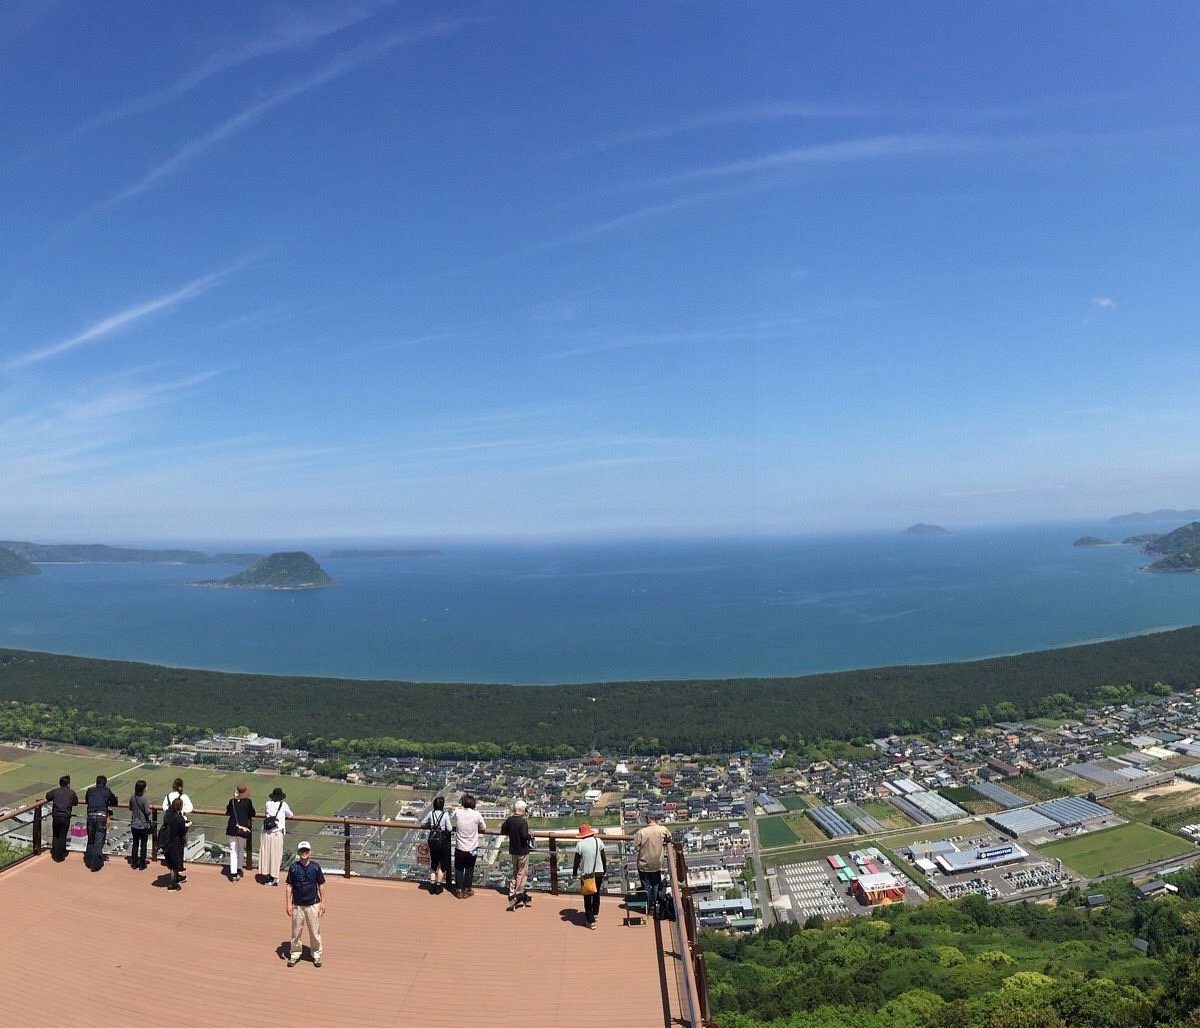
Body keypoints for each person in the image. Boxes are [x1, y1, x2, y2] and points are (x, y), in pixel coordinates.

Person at [285, 841, 326, 967]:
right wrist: (288, 904)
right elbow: (289, 886)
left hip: (313, 904)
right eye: (302, 851)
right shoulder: (293, 868)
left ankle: (316, 954)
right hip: (297, 905)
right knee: (296, 931)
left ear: (310, 852)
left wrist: (323, 902)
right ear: (298, 853)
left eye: (306, 851)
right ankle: (295, 954)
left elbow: (321, 885)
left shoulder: (315, 867)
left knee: (314, 931)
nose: (304, 853)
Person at [632, 813, 674, 917]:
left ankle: (649, 905)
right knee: (656, 885)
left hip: (644, 863)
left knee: (646, 886)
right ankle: (655, 904)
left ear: (648, 819)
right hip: (656, 863)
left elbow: (636, 847)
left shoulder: (641, 832)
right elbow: (669, 837)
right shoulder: (662, 830)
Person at [499, 799, 534, 910]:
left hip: (513, 850)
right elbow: (524, 836)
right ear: (522, 810)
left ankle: (512, 890)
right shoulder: (522, 822)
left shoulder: (510, 820)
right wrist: (530, 835)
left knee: (515, 871)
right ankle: (517, 892)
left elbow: (503, 830)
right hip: (522, 850)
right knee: (522, 872)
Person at [572, 823, 607, 929]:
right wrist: (604, 870)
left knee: (587, 897)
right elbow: (603, 857)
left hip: (587, 874)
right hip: (599, 872)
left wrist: (574, 873)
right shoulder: (598, 841)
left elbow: (576, 861)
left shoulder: (580, 845)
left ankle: (590, 921)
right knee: (596, 894)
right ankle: (595, 914)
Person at [451, 793, 486, 898]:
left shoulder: (457, 812)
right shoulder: (477, 815)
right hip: (472, 848)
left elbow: (451, 819)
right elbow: (483, 827)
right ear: (474, 804)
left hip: (460, 848)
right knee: (470, 868)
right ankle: (467, 889)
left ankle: (459, 890)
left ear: (463, 803)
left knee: (459, 869)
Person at [83, 774, 118, 872]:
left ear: (96, 782)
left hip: (90, 816)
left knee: (91, 839)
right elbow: (114, 802)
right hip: (101, 817)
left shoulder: (90, 791)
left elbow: (87, 800)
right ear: (105, 783)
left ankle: (88, 861)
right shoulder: (107, 791)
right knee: (99, 840)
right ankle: (95, 864)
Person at [259, 787, 293, 886]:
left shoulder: (267, 804)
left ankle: (267, 874)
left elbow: (266, 814)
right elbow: (290, 815)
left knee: (266, 854)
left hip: (266, 832)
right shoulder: (283, 805)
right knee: (276, 855)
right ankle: (274, 877)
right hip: (277, 833)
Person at [420, 796, 452, 894]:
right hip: (442, 841)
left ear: (434, 804)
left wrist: (432, 826)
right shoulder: (445, 815)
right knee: (442, 864)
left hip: (432, 840)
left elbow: (423, 823)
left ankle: (432, 885)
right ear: (442, 805)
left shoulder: (431, 813)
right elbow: (450, 828)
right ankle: (438, 885)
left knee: (434, 862)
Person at [225, 783, 255, 881]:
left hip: (232, 827)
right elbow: (252, 813)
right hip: (243, 828)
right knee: (241, 849)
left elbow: (228, 810)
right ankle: (239, 869)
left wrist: (235, 797)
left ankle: (233, 874)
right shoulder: (248, 802)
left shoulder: (232, 801)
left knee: (233, 851)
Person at [44, 774, 78, 863]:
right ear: (68, 784)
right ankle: (61, 854)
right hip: (65, 817)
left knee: (55, 835)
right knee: (63, 836)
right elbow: (75, 802)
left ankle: (55, 854)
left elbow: (47, 796)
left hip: (56, 816)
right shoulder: (71, 792)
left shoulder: (56, 791)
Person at [159, 796, 188, 891]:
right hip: (176, 843)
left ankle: (177, 877)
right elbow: (183, 832)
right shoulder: (180, 819)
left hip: (167, 842)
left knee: (173, 862)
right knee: (174, 864)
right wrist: (187, 825)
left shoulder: (167, 815)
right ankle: (172, 884)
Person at [128, 779, 152, 870]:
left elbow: (130, 808)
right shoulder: (145, 799)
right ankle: (142, 864)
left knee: (135, 844)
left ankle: (134, 863)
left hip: (134, 824)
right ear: (143, 788)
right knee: (143, 845)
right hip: (143, 825)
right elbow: (147, 812)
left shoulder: (132, 797)